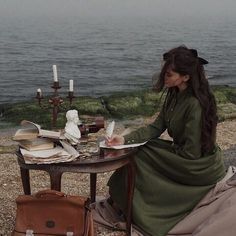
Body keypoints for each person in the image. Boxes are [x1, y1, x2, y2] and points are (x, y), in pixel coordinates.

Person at [106, 46, 226, 236]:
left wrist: (162, 157)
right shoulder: (174, 94)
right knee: (137, 149)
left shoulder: (195, 104)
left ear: (185, 77)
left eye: (169, 74)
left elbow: (191, 152)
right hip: (182, 152)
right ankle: (126, 202)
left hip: (195, 164)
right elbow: (156, 127)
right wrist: (124, 139)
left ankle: (145, 213)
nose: (164, 78)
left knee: (141, 155)